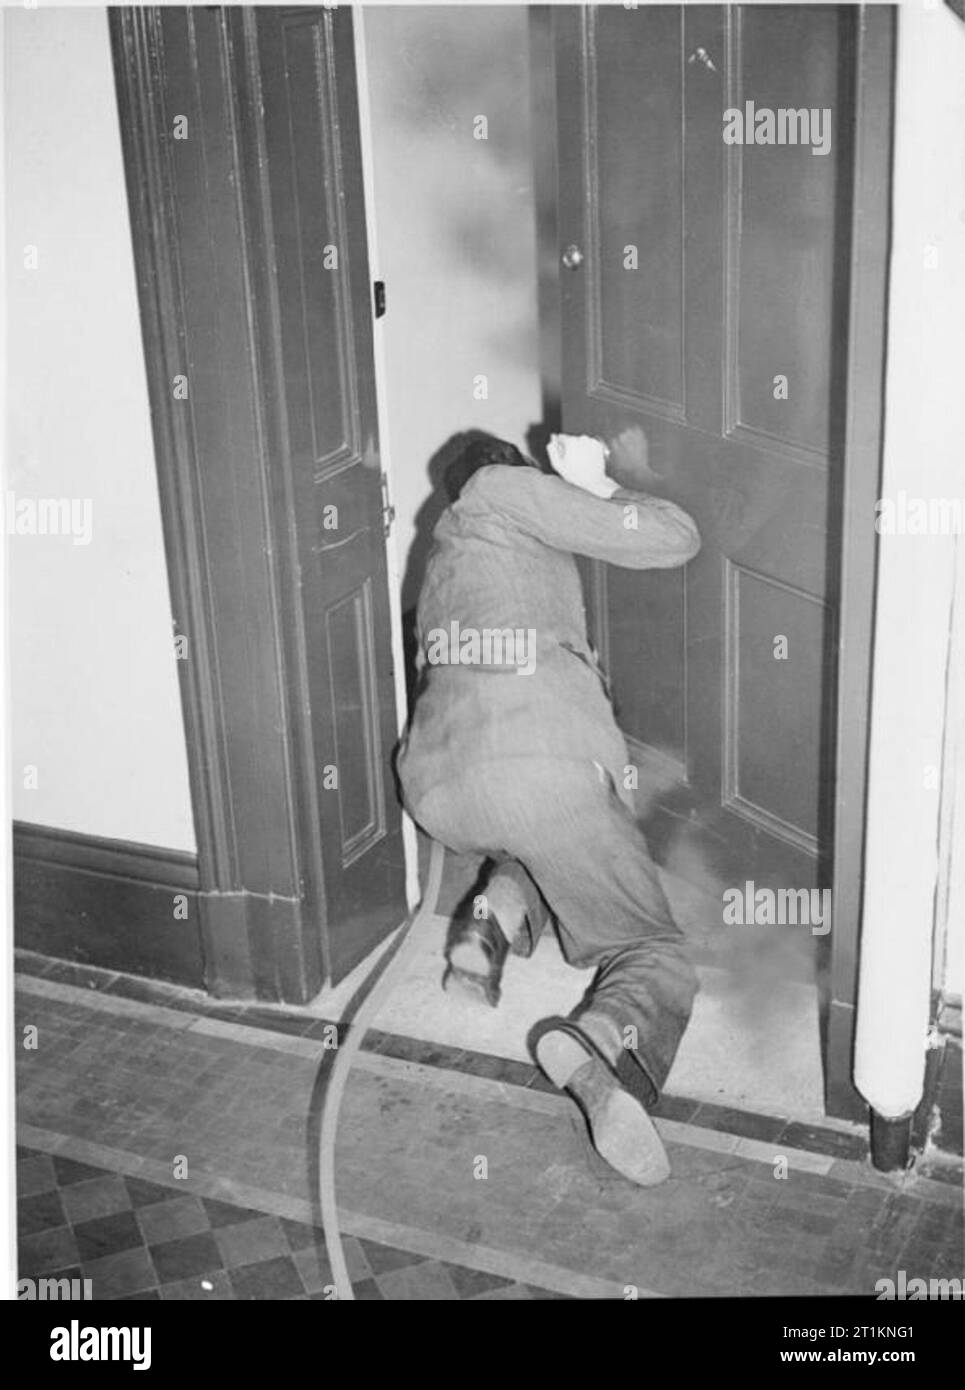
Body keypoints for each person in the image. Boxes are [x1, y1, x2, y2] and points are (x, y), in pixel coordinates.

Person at [396, 427, 701, 1186]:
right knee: (653, 949)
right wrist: (592, 481)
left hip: (441, 791)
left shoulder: (439, 562)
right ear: (509, 471)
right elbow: (674, 538)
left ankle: (490, 923)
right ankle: (601, 1043)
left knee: (533, 836)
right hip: (535, 769)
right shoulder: (501, 493)